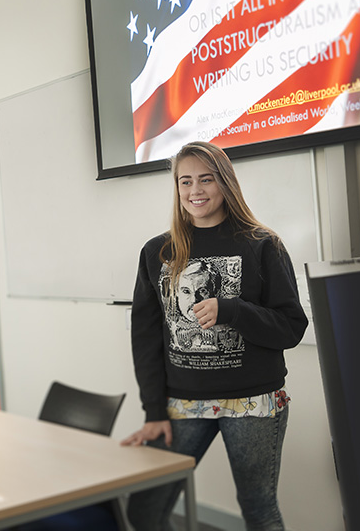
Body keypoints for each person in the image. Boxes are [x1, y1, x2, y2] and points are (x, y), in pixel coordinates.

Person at [122, 141, 308, 531]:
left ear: (225, 183)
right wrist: (154, 409)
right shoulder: (158, 251)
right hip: (182, 402)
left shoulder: (263, 245)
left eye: (206, 179)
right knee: (145, 509)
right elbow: (145, 338)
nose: (195, 191)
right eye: (185, 181)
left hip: (253, 402)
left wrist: (233, 309)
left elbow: (292, 327)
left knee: (259, 510)